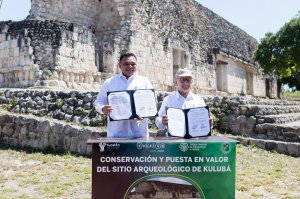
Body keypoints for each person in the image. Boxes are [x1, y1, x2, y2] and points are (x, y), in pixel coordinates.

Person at [95, 52, 153, 138]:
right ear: (120, 65)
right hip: (116, 134)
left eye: (133, 64)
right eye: (126, 64)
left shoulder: (145, 82)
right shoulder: (109, 83)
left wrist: (144, 113)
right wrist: (103, 109)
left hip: (139, 134)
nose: (130, 66)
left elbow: (152, 102)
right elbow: (99, 101)